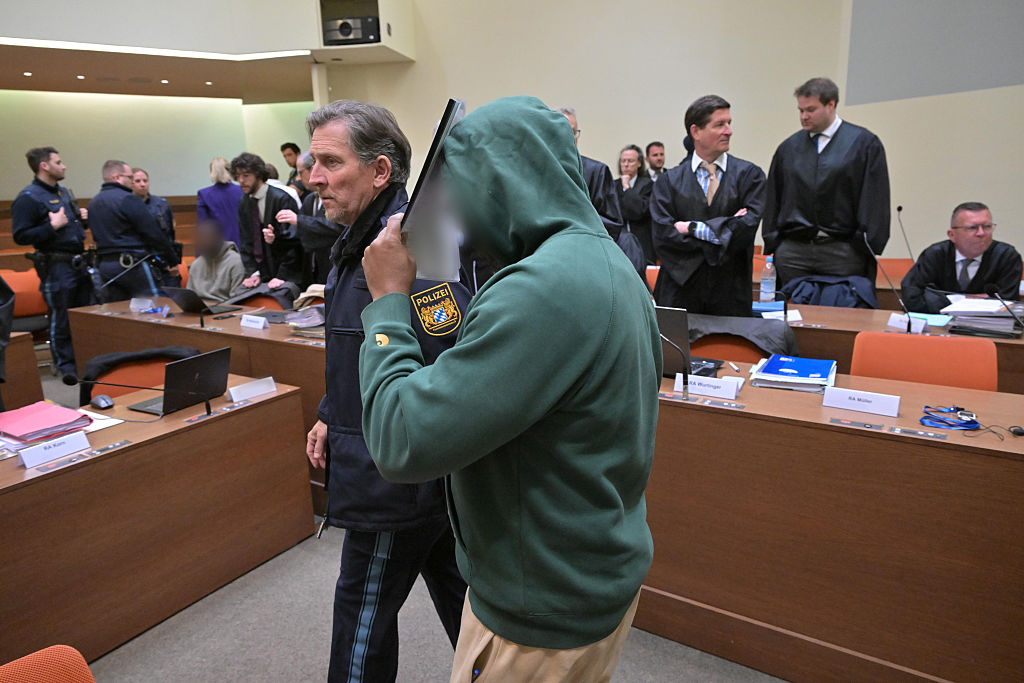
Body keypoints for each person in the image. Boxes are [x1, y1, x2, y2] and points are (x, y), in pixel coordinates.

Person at [357, 95, 660, 682]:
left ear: (500, 183)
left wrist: (389, 303)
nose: (459, 222)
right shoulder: (602, 258)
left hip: (538, 606)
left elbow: (401, 440)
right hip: (587, 570)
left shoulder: (543, 287)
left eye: (462, 191)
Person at [301, 100, 470, 683]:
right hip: (401, 469)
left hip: (394, 478)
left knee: (362, 613)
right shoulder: (363, 239)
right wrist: (331, 411)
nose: (314, 177)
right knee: (465, 605)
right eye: (311, 162)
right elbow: (360, 349)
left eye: (330, 162)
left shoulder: (407, 246)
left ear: (379, 171)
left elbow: (441, 361)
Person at [762, 77, 890, 286]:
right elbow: (774, 197)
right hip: (794, 251)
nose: (804, 116)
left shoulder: (863, 144)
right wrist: (775, 241)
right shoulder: (789, 148)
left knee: (841, 305)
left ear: (831, 104)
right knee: (792, 305)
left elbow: (875, 199)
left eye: (810, 110)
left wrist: (863, 244)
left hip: (843, 251)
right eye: (800, 110)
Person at [650, 95, 766, 316]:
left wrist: (691, 228)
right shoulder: (668, 182)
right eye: (720, 124)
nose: (729, 131)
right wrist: (725, 230)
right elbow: (663, 236)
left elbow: (745, 230)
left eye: (729, 123)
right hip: (680, 291)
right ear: (696, 132)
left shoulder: (750, 176)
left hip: (731, 294)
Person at [11, 147, 92, 378]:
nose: (63, 166)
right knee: (61, 315)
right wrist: (52, 226)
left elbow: (70, 228)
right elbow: (20, 236)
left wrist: (82, 221)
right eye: (58, 162)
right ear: (44, 166)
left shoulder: (63, 192)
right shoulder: (29, 197)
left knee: (83, 314)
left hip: (78, 262)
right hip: (56, 265)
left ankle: (85, 361)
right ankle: (66, 367)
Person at [902, 202, 1021, 313]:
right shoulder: (935, 254)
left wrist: (945, 299)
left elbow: (1008, 302)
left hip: (989, 325)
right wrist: (971, 299)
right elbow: (911, 297)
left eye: (987, 226)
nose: (981, 233)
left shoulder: (1006, 256)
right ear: (952, 235)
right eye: (972, 227)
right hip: (939, 324)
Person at [88, 160, 179, 302]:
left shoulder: (93, 202)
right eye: (130, 177)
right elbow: (153, 233)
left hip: (105, 265)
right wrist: (172, 259)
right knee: (156, 305)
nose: (132, 181)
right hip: (132, 264)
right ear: (117, 177)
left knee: (119, 309)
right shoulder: (128, 199)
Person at [230, 152, 304, 290]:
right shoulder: (244, 202)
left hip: (288, 272)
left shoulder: (281, 198)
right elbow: (246, 241)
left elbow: (294, 242)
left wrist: (282, 275)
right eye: (238, 176)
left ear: (258, 175)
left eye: (246, 175)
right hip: (262, 272)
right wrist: (253, 272)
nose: (241, 180)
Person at [276, 151, 343, 287]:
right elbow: (299, 236)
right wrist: (275, 237)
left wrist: (299, 220)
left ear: (312, 170)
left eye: (300, 173)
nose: (299, 178)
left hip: (335, 270)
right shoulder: (310, 199)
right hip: (313, 271)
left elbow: (337, 227)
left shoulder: (336, 197)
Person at [556, 106, 624, 239]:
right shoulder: (537, 170)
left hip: (586, 243)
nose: (571, 137)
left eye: (574, 132)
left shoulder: (597, 172)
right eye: (564, 130)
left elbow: (612, 223)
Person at [132, 167, 180, 286]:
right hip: (139, 261)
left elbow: (170, 235)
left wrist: (174, 261)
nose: (142, 184)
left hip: (163, 258)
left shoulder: (161, 204)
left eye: (145, 181)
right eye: (138, 181)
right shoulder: (126, 206)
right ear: (130, 183)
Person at [185, 219, 245, 302]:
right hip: (199, 307)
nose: (202, 242)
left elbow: (238, 301)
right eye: (199, 237)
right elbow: (189, 297)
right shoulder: (197, 264)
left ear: (219, 238)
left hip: (225, 307)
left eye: (206, 237)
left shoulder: (236, 263)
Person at [617, 144, 656, 265]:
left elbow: (639, 210)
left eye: (630, 161)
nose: (626, 164)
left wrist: (627, 188)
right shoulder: (613, 185)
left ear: (639, 163)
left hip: (642, 242)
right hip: (619, 243)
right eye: (623, 161)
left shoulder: (648, 185)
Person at [197, 157, 244, 246]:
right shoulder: (242, 191)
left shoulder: (204, 194)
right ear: (230, 171)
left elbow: (202, 226)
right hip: (241, 244)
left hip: (217, 247)